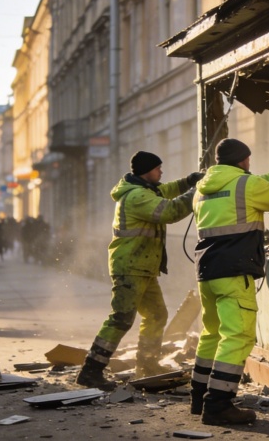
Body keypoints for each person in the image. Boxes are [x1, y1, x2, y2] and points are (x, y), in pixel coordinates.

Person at [189, 139, 269, 425]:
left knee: (212, 334)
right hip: (234, 272)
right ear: (244, 160)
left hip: (207, 272)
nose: (250, 164)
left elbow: (247, 184)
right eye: (248, 160)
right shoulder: (247, 186)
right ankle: (218, 405)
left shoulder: (203, 188)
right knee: (238, 336)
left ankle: (199, 397)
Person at [75, 151, 202, 388]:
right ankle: (91, 370)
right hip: (130, 267)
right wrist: (197, 192)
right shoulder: (136, 197)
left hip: (143, 268)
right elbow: (170, 211)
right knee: (121, 318)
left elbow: (168, 191)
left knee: (156, 314)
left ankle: (147, 364)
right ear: (146, 171)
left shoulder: (147, 190)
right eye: (158, 169)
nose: (161, 172)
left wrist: (189, 181)